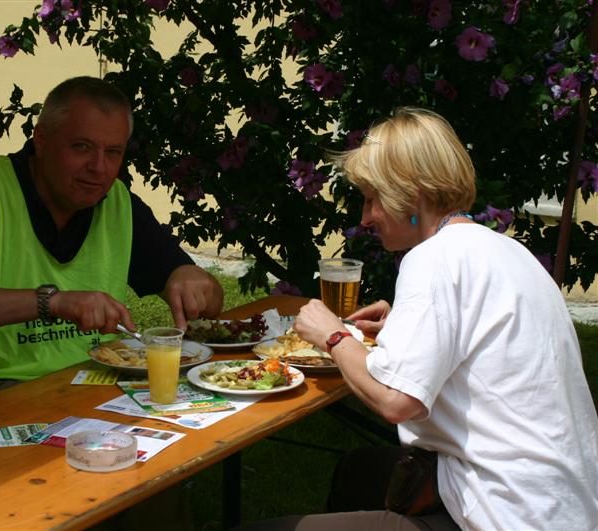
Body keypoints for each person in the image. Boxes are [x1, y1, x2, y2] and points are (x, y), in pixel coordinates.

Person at [236, 107, 598, 530]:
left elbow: (395, 401)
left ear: (412, 193)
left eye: (373, 198)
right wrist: (402, 324)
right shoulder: (504, 250)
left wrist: (333, 336)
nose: (365, 216)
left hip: (510, 513)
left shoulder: (433, 258)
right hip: (564, 503)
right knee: (362, 470)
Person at [0, 76, 224, 420]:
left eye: (113, 152)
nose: (99, 168)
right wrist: (52, 302)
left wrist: (193, 279)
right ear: (41, 139)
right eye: (81, 147)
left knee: (179, 424)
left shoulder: (116, 203)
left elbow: (213, 302)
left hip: (83, 383)